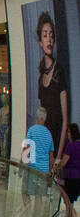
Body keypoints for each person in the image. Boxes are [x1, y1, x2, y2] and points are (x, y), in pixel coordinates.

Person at [36, 11, 70, 151]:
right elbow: (41, 116)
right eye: (45, 35)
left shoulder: (59, 71)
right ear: (40, 43)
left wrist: (58, 157)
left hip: (57, 142)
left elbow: (65, 119)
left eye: (51, 35)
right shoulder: (40, 79)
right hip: (45, 144)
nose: (49, 39)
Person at [54, 122, 80, 217]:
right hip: (78, 178)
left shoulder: (71, 145)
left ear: (72, 133)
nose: (67, 134)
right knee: (70, 203)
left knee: (68, 204)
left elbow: (64, 162)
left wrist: (56, 167)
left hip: (71, 178)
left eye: (68, 132)